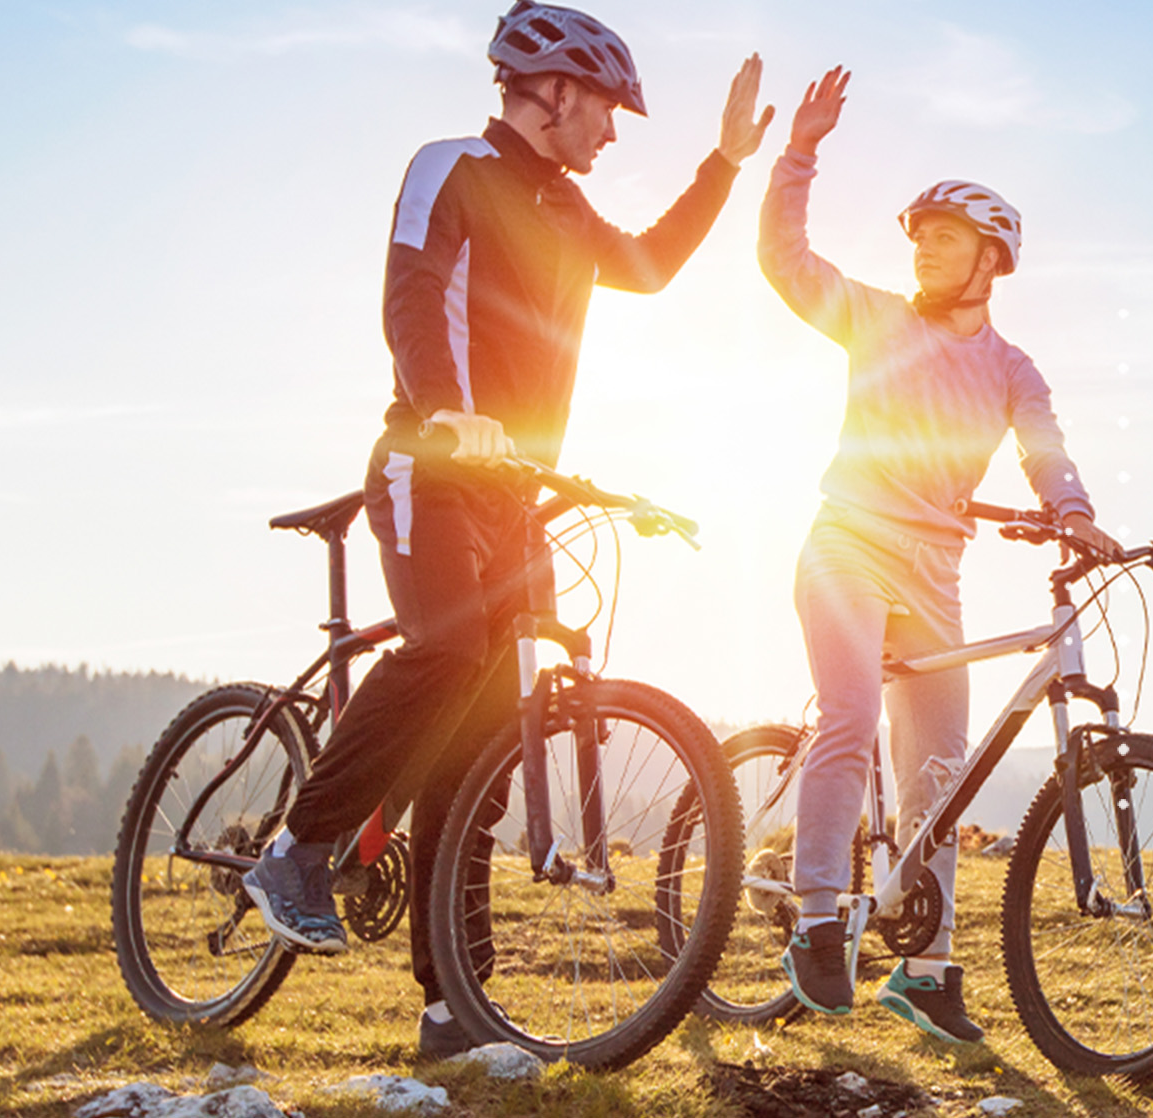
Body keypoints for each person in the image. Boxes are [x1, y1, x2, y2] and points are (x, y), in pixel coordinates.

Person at [240, 1, 774, 1061]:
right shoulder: (452, 168)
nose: (614, 135)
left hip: (513, 492)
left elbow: (655, 266)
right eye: (609, 111)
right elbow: (412, 291)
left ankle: (453, 1007)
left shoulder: (569, 213)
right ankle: (297, 850)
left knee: (482, 748)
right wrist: (443, 405)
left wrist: (724, 160)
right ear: (558, 92)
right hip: (427, 466)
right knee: (445, 649)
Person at [756, 65, 1117, 1039]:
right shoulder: (873, 318)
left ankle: (924, 965)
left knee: (940, 773)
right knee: (851, 712)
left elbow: (1044, 443)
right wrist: (801, 153)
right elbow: (786, 261)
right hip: (847, 544)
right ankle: (819, 917)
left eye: (946, 240)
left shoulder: (1011, 367)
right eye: (918, 239)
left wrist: (1073, 508)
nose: (924, 255)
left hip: (935, 573)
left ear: (991, 259)